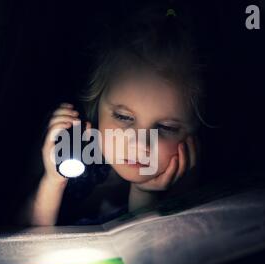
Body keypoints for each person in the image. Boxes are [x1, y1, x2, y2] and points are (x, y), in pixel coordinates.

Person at [18, 5, 205, 226]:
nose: (139, 144)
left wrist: (144, 192)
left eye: (166, 127)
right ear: (96, 106)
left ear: (193, 132)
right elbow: (27, 237)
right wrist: (53, 181)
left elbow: (146, 245)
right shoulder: (78, 154)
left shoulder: (186, 183)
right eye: (124, 117)